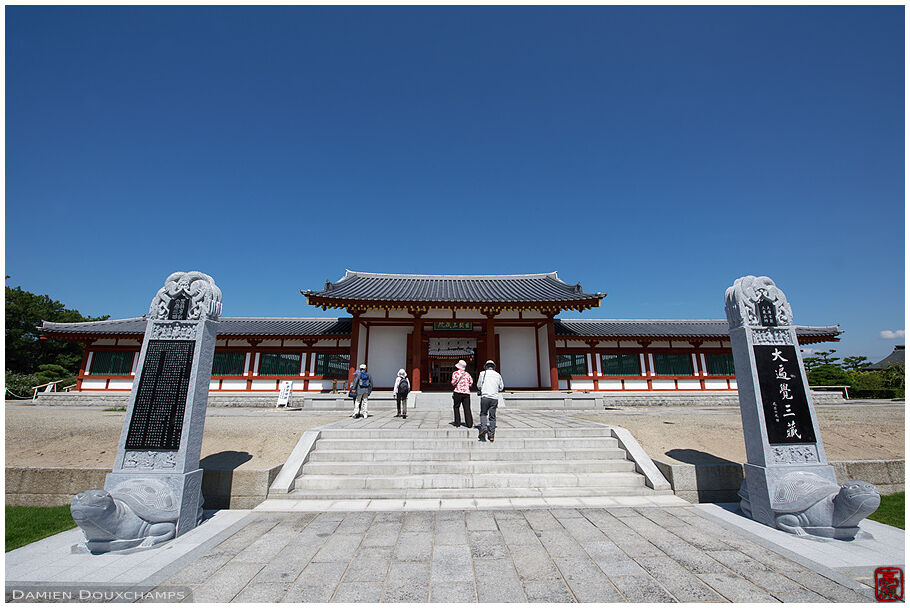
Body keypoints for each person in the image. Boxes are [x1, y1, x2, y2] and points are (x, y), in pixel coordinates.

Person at [477, 360, 504, 442]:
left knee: (483, 413)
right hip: (494, 398)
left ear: (486, 366)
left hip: (485, 396)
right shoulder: (498, 375)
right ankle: (491, 435)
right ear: (493, 367)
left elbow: (479, 385)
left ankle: (484, 427)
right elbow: (501, 387)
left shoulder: (482, 374)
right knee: (492, 417)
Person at [450, 359, 474, 428]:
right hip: (466, 393)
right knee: (467, 408)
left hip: (457, 392)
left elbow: (453, 382)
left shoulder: (455, 373)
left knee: (456, 407)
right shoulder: (467, 374)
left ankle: (457, 423)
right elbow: (471, 383)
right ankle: (469, 423)